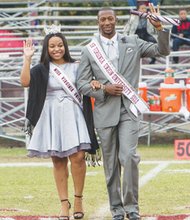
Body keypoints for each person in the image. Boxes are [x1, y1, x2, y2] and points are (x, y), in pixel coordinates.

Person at [77, 4, 170, 220]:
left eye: (110, 19)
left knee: (129, 157)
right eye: (103, 20)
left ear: (116, 20)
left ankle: (132, 208)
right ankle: (117, 210)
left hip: (129, 110)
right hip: (104, 112)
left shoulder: (132, 42)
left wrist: (160, 29)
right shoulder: (89, 50)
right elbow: (81, 84)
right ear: (98, 22)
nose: (107, 23)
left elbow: (162, 51)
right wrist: (104, 89)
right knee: (110, 165)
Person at [20, 27, 98, 220]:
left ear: (65, 46)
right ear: (47, 48)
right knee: (58, 160)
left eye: (60, 45)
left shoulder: (76, 66)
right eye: (52, 46)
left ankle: (78, 199)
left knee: (78, 158)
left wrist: (95, 84)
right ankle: (64, 204)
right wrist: (27, 58)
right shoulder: (41, 69)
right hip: (51, 115)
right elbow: (24, 82)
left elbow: (88, 84)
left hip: (74, 114)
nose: (57, 49)